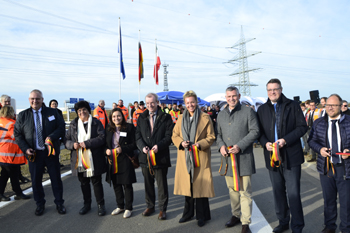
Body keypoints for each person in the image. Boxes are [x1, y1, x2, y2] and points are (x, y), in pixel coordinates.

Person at [257, 79, 307, 233]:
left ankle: (297, 226)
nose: (273, 92)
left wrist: (286, 140)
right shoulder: (262, 109)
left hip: (291, 156)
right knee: (278, 192)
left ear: (281, 89)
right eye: (270, 89)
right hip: (272, 158)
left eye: (275, 89)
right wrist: (265, 143)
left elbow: (302, 127)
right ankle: (283, 221)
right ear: (267, 91)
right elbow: (259, 133)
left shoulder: (292, 106)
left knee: (293, 193)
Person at [14, 89, 66, 216]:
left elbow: (61, 127)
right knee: (36, 181)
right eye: (32, 99)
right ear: (29, 100)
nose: (35, 101)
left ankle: (59, 203)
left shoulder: (52, 112)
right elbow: (18, 134)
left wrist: (52, 137)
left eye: (37, 99)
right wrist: (26, 148)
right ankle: (40, 204)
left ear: (42, 100)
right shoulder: (23, 115)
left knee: (56, 180)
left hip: (50, 153)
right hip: (34, 154)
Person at [216, 86, 260, 233]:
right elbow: (218, 135)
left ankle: (245, 223)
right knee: (232, 190)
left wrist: (240, 146)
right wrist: (221, 146)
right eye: (228, 96)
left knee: (245, 191)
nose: (231, 99)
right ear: (225, 97)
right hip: (228, 160)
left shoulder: (248, 112)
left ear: (239, 96)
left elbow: (255, 131)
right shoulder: (221, 114)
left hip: (244, 158)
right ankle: (235, 215)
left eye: (234, 96)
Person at [172, 90, 215, 227]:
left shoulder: (205, 117)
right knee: (187, 186)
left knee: (200, 187)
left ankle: (202, 215)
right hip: (185, 157)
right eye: (188, 102)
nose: (190, 105)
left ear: (197, 102)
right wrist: (181, 143)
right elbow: (174, 135)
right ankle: (188, 213)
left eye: (192, 102)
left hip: (200, 155)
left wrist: (199, 144)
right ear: (184, 104)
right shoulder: (180, 118)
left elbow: (211, 137)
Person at [308, 94, 350, 233]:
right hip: (326, 168)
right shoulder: (318, 123)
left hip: (345, 168)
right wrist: (320, 149)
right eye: (328, 105)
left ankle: (346, 228)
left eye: (334, 105)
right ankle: (330, 226)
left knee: (346, 202)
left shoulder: (349, 121)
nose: (330, 108)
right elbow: (311, 141)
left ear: (341, 106)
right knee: (329, 200)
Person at [65, 101, 107, 216]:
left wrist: (88, 143)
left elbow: (102, 138)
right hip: (79, 158)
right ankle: (87, 204)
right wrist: (72, 145)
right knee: (84, 183)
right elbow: (66, 140)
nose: (82, 112)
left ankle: (100, 205)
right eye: (79, 111)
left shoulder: (96, 123)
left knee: (96, 182)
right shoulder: (73, 124)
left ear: (88, 110)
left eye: (84, 110)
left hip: (94, 157)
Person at [135, 93, 173, 220]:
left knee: (161, 185)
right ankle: (150, 206)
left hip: (160, 156)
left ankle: (163, 209)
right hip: (145, 157)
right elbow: (137, 136)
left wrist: (159, 146)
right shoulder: (141, 117)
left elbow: (169, 136)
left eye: (152, 103)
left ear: (157, 102)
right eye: (147, 103)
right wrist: (142, 148)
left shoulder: (166, 117)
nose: (150, 105)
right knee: (148, 183)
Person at [105, 108, 137, 218]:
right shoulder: (108, 129)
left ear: (122, 116)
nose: (116, 118)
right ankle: (120, 206)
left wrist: (122, 149)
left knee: (127, 184)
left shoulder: (129, 127)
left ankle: (128, 208)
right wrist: (106, 151)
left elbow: (134, 144)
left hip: (125, 159)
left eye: (118, 116)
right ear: (111, 118)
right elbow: (105, 144)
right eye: (114, 116)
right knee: (116, 184)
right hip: (113, 160)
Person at [0, 106, 30, 201]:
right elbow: (16, 136)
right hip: (10, 154)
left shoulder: (1, 121)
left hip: (3, 153)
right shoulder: (11, 124)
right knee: (12, 174)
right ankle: (17, 192)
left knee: (7, 174)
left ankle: (16, 192)